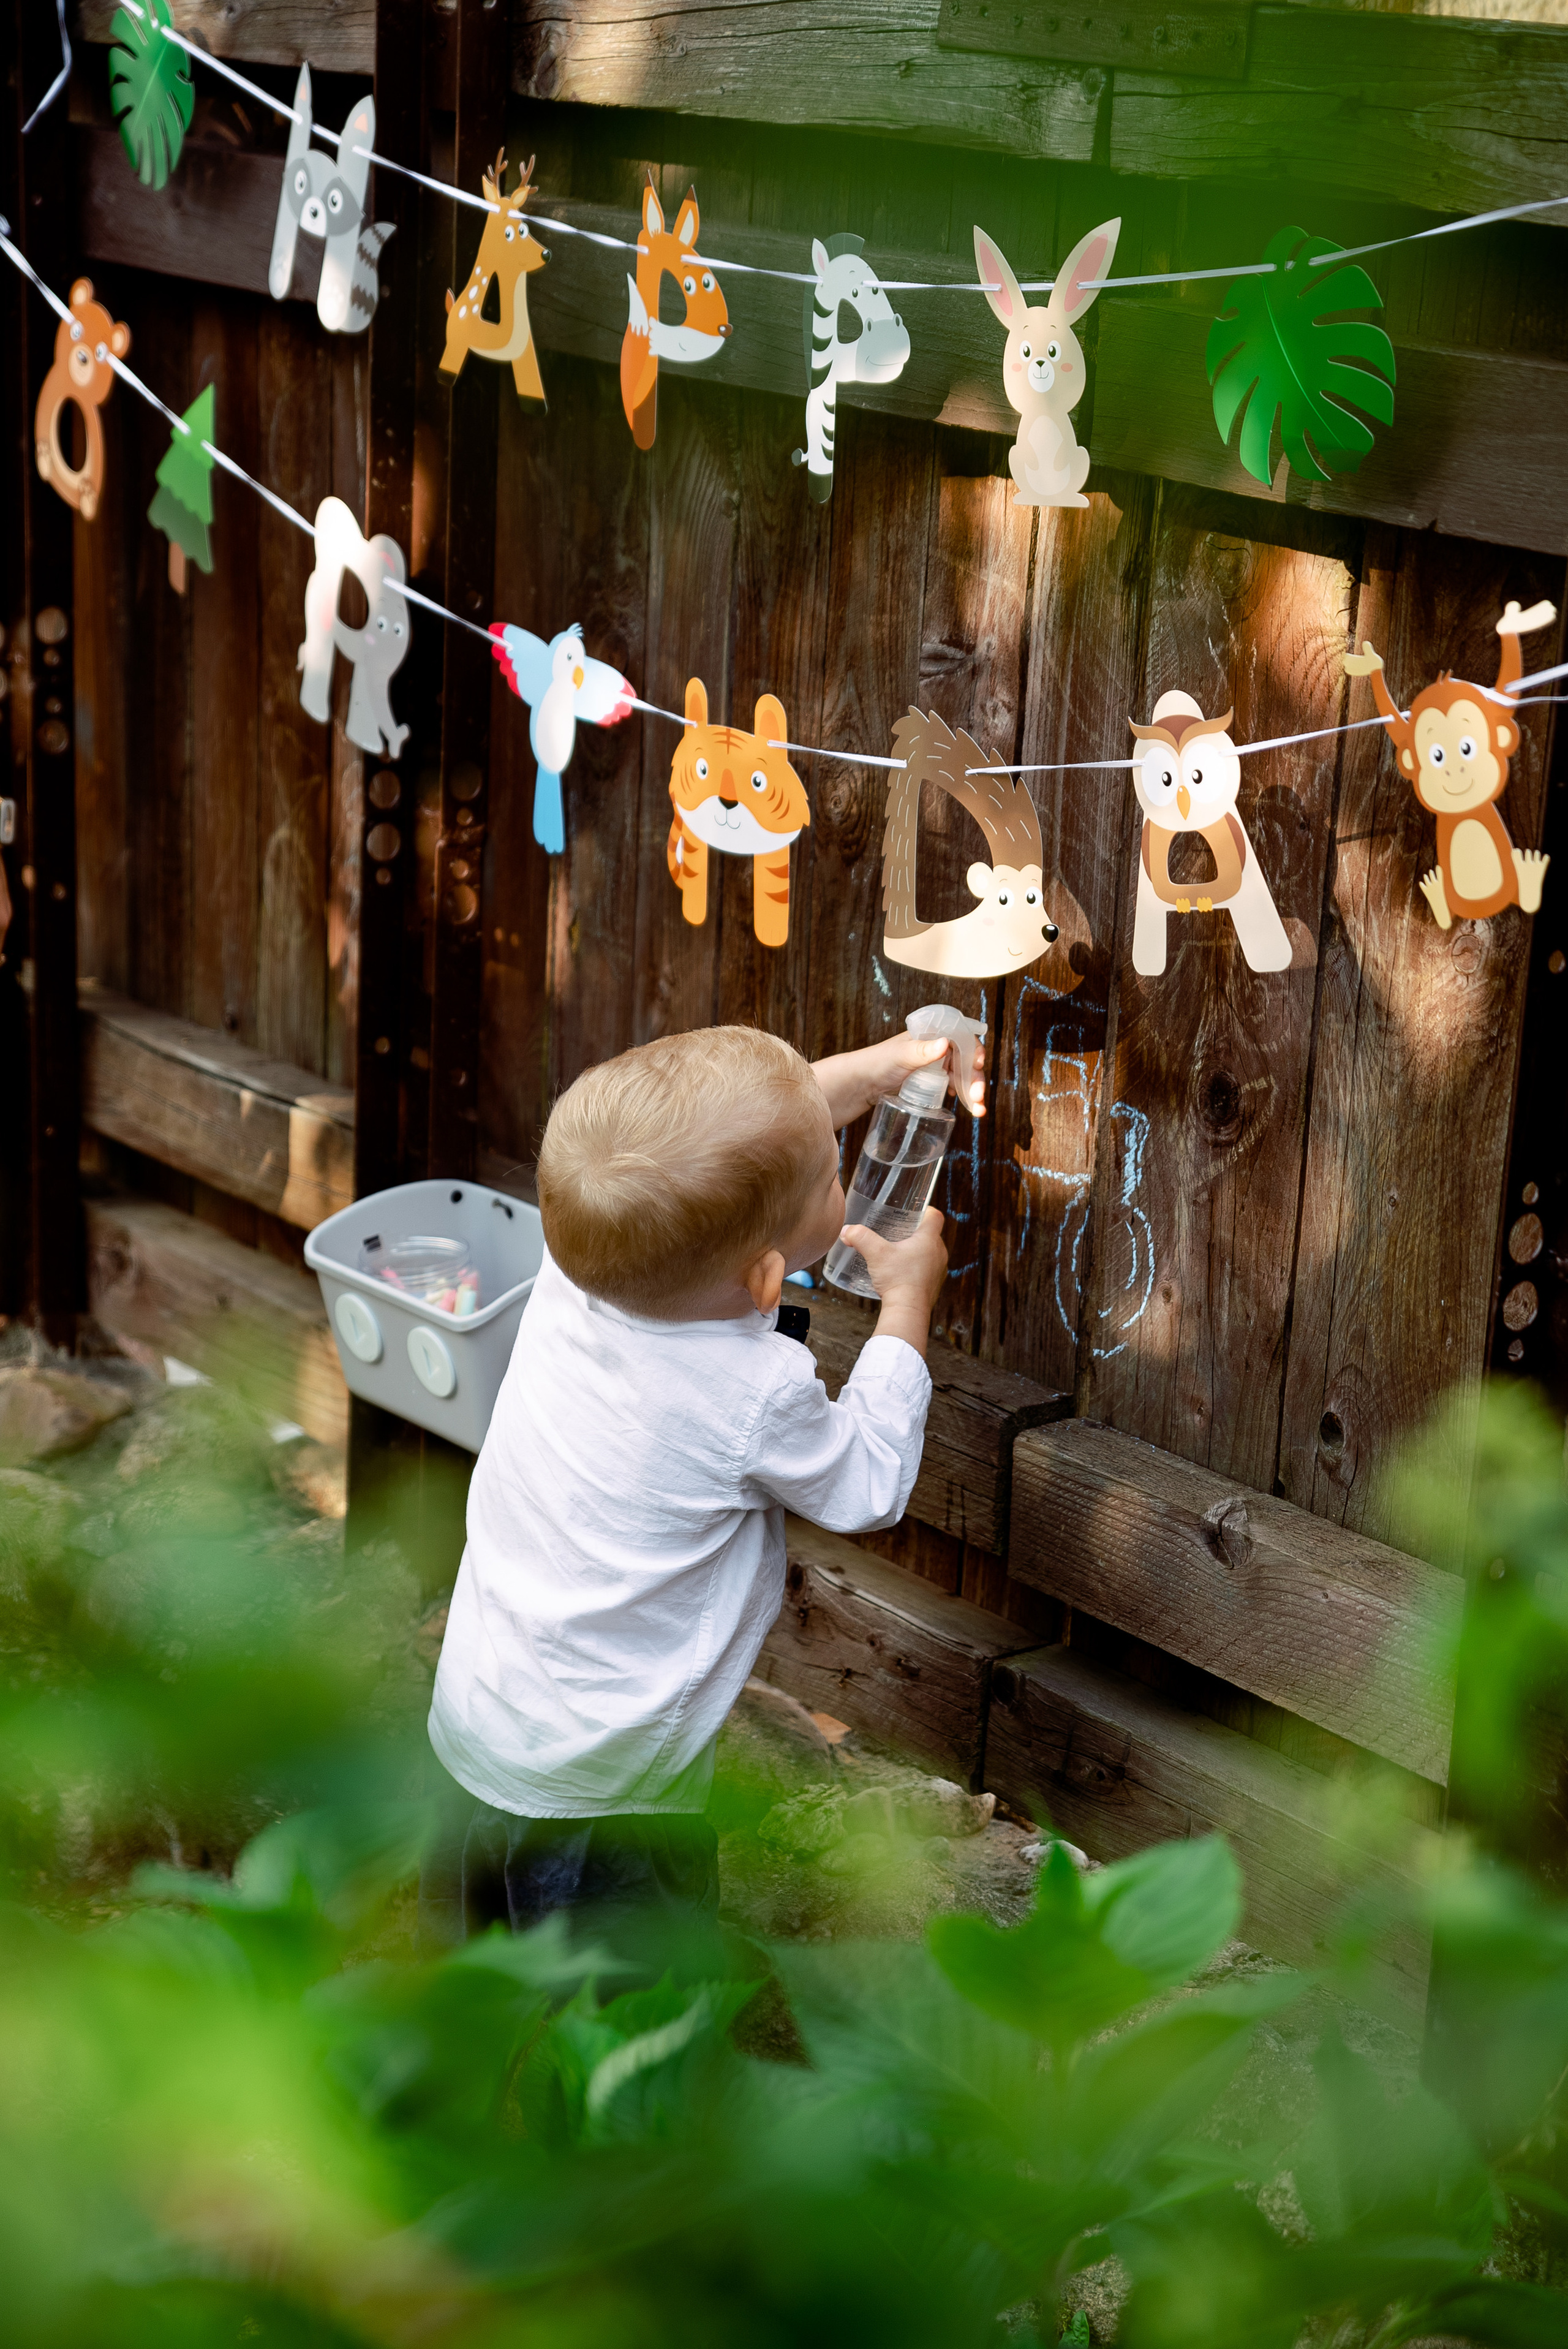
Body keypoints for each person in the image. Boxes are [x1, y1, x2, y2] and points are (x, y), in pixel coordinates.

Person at [420, 1021, 984, 1967]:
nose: (841, 1171)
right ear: (767, 1275)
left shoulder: (582, 1261)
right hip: (610, 1803)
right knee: (628, 2018)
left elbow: (728, 1154)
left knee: (471, 1982)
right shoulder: (751, 1392)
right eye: (833, 1173)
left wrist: (879, 1071)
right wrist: (906, 1304)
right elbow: (868, 1479)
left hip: (481, 1724)